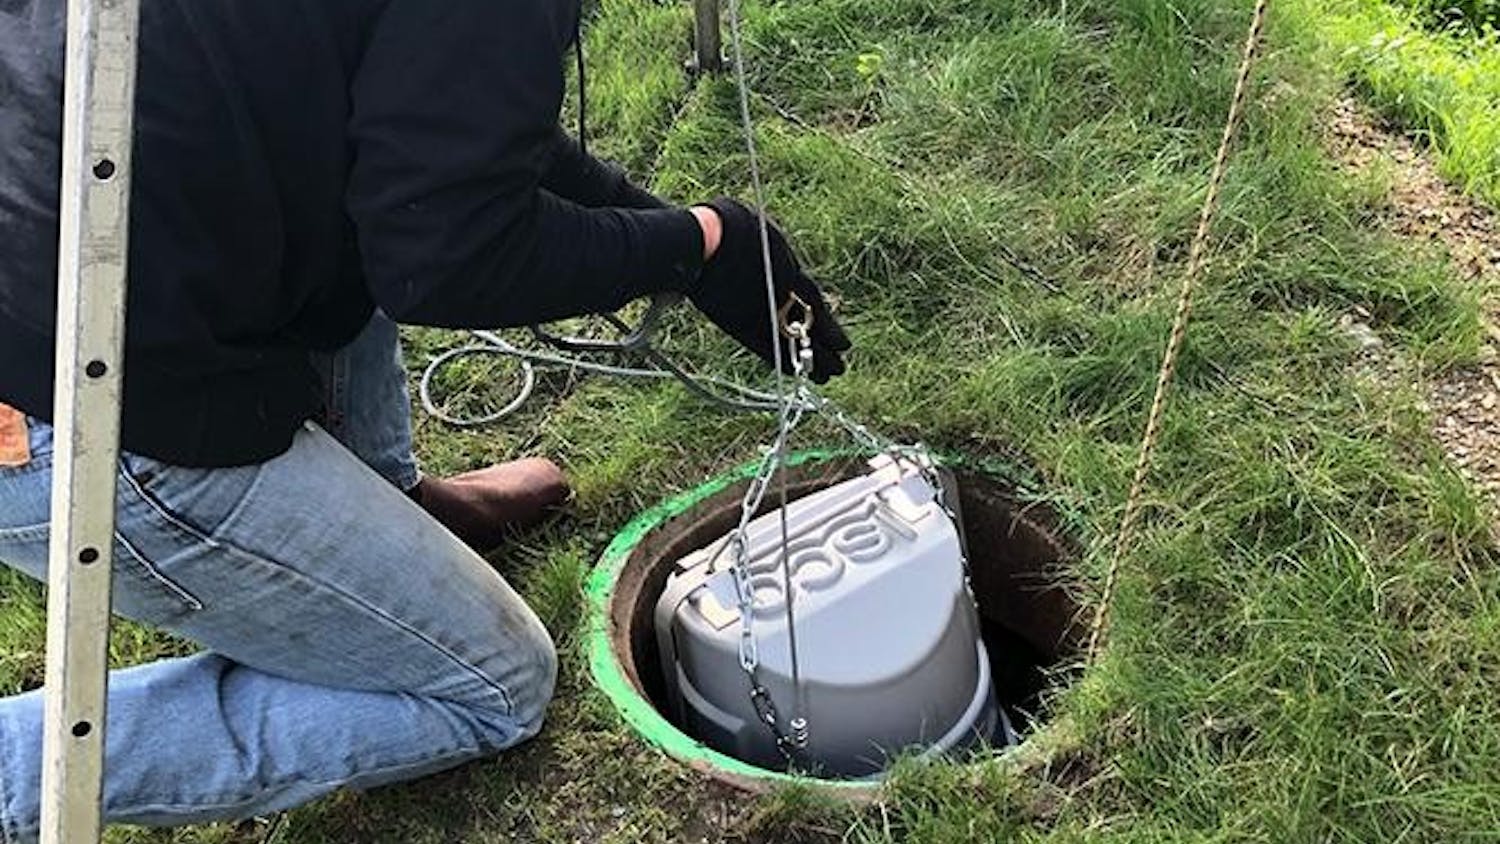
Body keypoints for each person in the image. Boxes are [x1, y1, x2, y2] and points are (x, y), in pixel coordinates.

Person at [0, 0, 851, 837]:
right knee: (497, 685)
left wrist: (664, 231)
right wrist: (701, 241)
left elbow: (438, 119)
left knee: (366, 191)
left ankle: (390, 507)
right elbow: (447, 254)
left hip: (102, 218)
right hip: (74, 400)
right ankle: (11, 764)